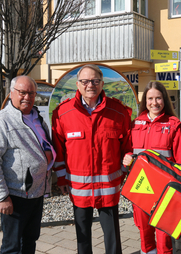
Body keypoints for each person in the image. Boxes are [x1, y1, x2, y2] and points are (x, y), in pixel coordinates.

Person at [52, 64, 132, 254]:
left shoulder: (119, 112)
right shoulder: (62, 114)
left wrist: (124, 172)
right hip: (80, 189)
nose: (90, 85)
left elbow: (127, 147)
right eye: (85, 81)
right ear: (77, 85)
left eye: (95, 81)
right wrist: (62, 179)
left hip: (109, 189)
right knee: (83, 236)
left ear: (102, 83)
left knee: (112, 235)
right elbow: (59, 151)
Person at [0, 75, 56, 254]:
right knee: (12, 247)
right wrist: (2, 197)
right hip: (15, 196)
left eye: (31, 93)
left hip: (35, 193)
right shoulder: (1, 122)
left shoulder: (37, 117)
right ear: (12, 93)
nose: (27, 97)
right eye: (22, 92)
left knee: (30, 242)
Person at [123, 81, 181, 254]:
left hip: (165, 189)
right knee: (144, 231)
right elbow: (127, 151)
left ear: (164, 100)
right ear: (145, 101)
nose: (154, 102)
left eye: (158, 98)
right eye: (150, 98)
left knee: (163, 233)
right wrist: (126, 158)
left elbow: (180, 161)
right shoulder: (135, 124)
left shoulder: (174, 125)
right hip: (140, 187)